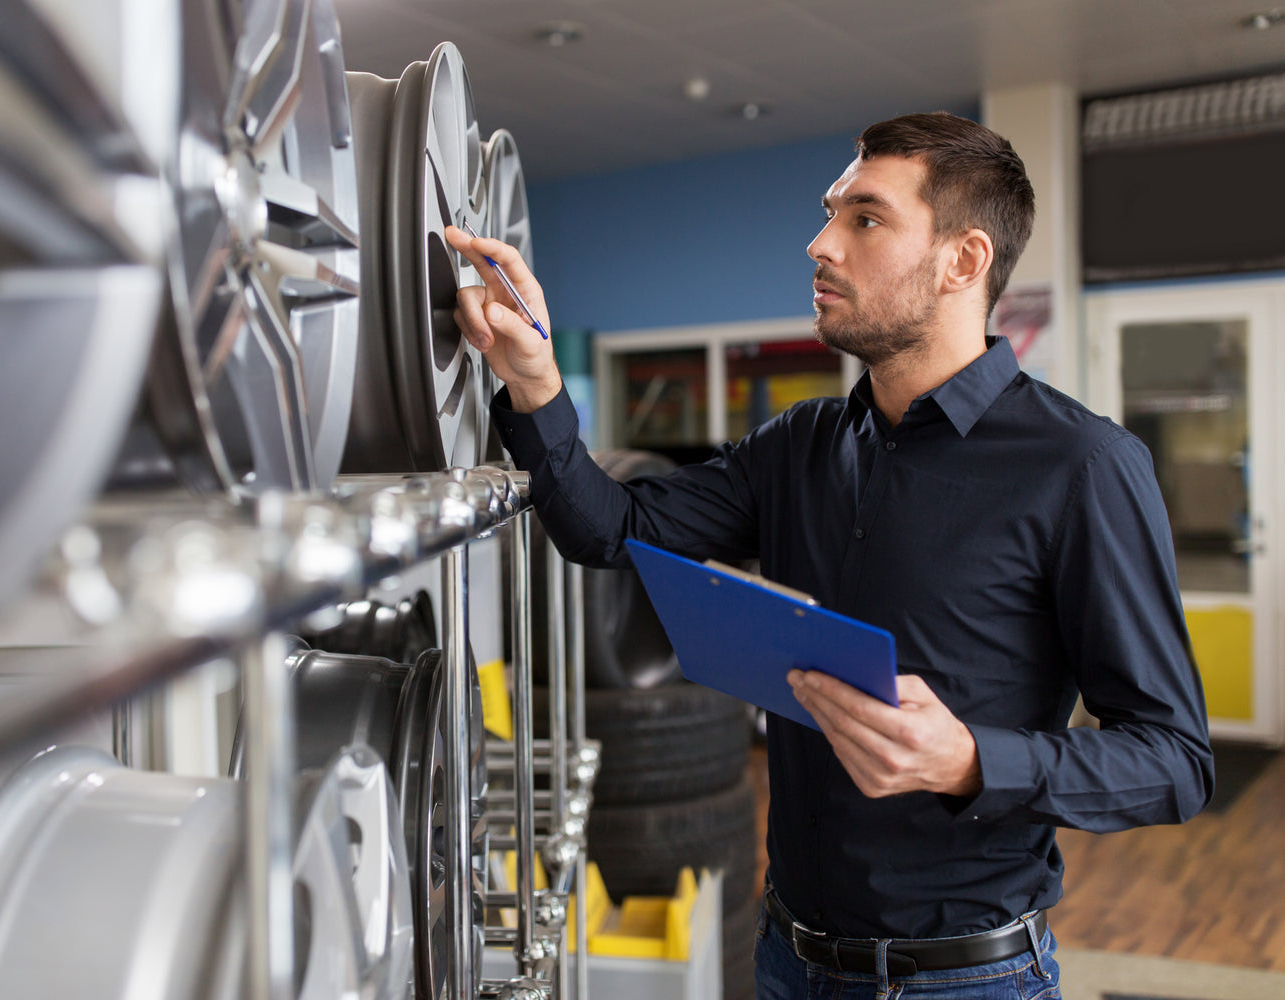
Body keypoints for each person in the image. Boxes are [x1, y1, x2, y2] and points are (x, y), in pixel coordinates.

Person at [445, 111, 1213, 1000]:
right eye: (829, 212)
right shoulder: (802, 443)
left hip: (964, 980)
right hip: (788, 960)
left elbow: (1173, 761)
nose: (820, 243)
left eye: (866, 219)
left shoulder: (1082, 467)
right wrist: (534, 383)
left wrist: (969, 759)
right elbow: (607, 527)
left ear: (964, 261)